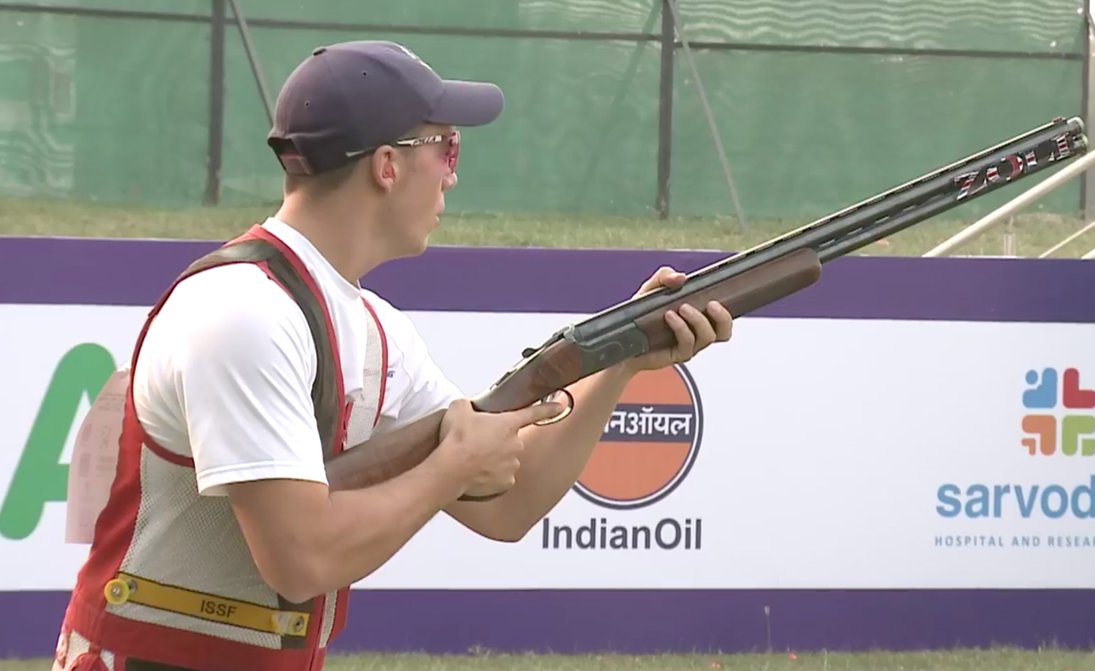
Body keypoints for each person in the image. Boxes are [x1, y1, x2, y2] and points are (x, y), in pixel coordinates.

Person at [51, 40, 733, 671]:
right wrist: (452, 463)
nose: (452, 178)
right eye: (448, 149)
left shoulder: (374, 328)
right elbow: (299, 556)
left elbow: (507, 504)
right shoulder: (245, 315)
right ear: (387, 164)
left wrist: (619, 359)